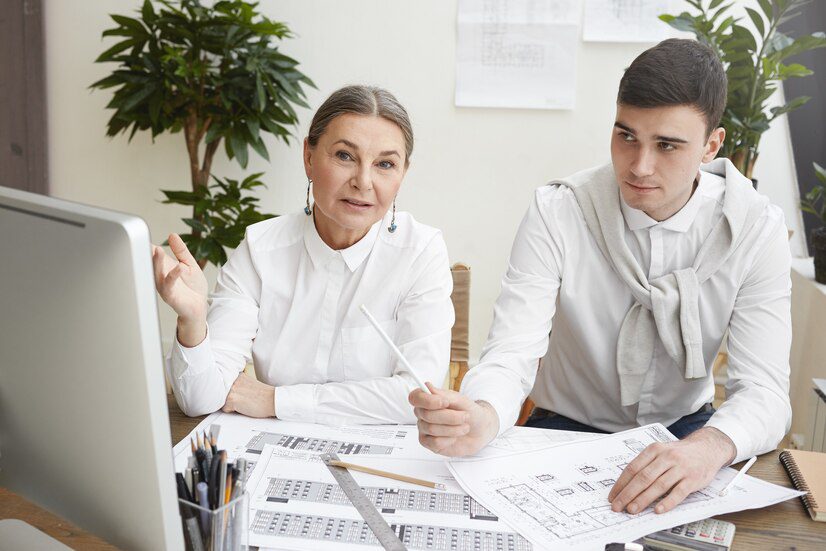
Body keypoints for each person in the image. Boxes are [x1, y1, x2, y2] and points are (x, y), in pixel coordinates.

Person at [410, 39, 792, 515]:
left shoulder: (756, 228)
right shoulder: (558, 211)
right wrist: (484, 416)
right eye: (625, 135)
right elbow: (511, 354)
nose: (639, 166)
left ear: (711, 145)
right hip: (563, 428)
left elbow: (765, 391)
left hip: (688, 433)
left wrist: (709, 447)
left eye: (667, 145)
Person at [153, 85, 454, 424]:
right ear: (309, 158)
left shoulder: (421, 253)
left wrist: (276, 400)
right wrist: (192, 321)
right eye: (344, 156)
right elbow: (199, 400)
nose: (364, 181)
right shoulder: (260, 249)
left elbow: (417, 397)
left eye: (385, 164)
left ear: (402, 175)